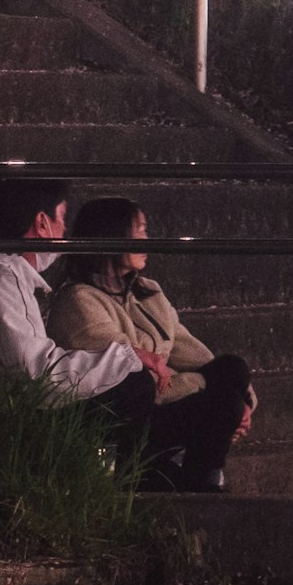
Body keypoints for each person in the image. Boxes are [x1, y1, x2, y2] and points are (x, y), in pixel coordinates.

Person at [0, 178, 250, 490]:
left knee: (215, 375)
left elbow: (184, 346)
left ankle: (169, 476)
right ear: (42, 223)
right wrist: (130, 357)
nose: (65, 232)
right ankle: (132, 477)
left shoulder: (4, 279)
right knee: (133, 385)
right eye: (62, 219)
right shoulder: (2, 282)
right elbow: (41, 375)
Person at [46, 195, 255, 489]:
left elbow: (188, 348)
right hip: (123, 424)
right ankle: (204, 485)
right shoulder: (79, 302)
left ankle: (205, 481)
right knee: (221, 402)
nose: (147, 239)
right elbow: (138, 383)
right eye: (140, 230)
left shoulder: (147, 291)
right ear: (114, 236)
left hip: (161, 399)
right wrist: (213, 391)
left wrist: (244, 401)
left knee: (233, 369)